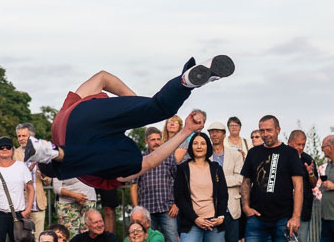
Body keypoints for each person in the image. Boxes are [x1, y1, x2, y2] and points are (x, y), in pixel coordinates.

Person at [26, 59, 234, 190]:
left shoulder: (93, 179)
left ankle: (56, 155)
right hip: (76, 116)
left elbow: (149, 162)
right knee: (159, 108)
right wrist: (140, 108)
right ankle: (185, 81)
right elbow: (102, 77)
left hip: (79, 145)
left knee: (128, 159)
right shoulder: (63, 115)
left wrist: (185, 131)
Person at [239, 115, 305, 242]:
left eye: (269, 130)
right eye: (262, 130)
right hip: (256, 217)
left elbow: (298, 186)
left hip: (283, 217)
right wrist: (246, 207)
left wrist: (296, 216)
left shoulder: (290, 153)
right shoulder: (253, 153)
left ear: (278, 130)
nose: (265, 134)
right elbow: (246, 182)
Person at [128, 127, 179, 242]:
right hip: (147, 210)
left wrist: (176, 204)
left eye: (158, 139)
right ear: (146, 141)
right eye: (153, 140)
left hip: (167, 208)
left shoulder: (169, 157)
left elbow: (179, 182)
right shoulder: (139, 159)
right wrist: (136, 209)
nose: (156, 142)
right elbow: (134, 185)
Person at [207, 121, 243, 242]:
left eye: (218, 131)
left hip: (231, 208)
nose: (214, 134)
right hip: (209, 207)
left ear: (224, 134)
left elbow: (240, 178)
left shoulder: (235, 155)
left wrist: (218, 181)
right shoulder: (204, 155)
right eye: (212, 132)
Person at [286, 130, 317, 242]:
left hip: (303, 211)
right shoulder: (282, 157)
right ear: (289, 143)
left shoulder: (308, 159)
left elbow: (314, 184)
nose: (301, 147)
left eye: (303, 144)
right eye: (298, 144)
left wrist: (310, 173)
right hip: (284, 210)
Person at [15, 124, 50, 235]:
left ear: (32, 137)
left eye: (24, 136)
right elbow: (13, 179)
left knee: (38, 239)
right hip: (21, 205)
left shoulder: (42, 153)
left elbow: (48, 181)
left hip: (38, 204)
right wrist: (27, 170)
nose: (21, 139)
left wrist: (43, 174)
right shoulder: (14, 154)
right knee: (22, 238)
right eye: (19, 136)